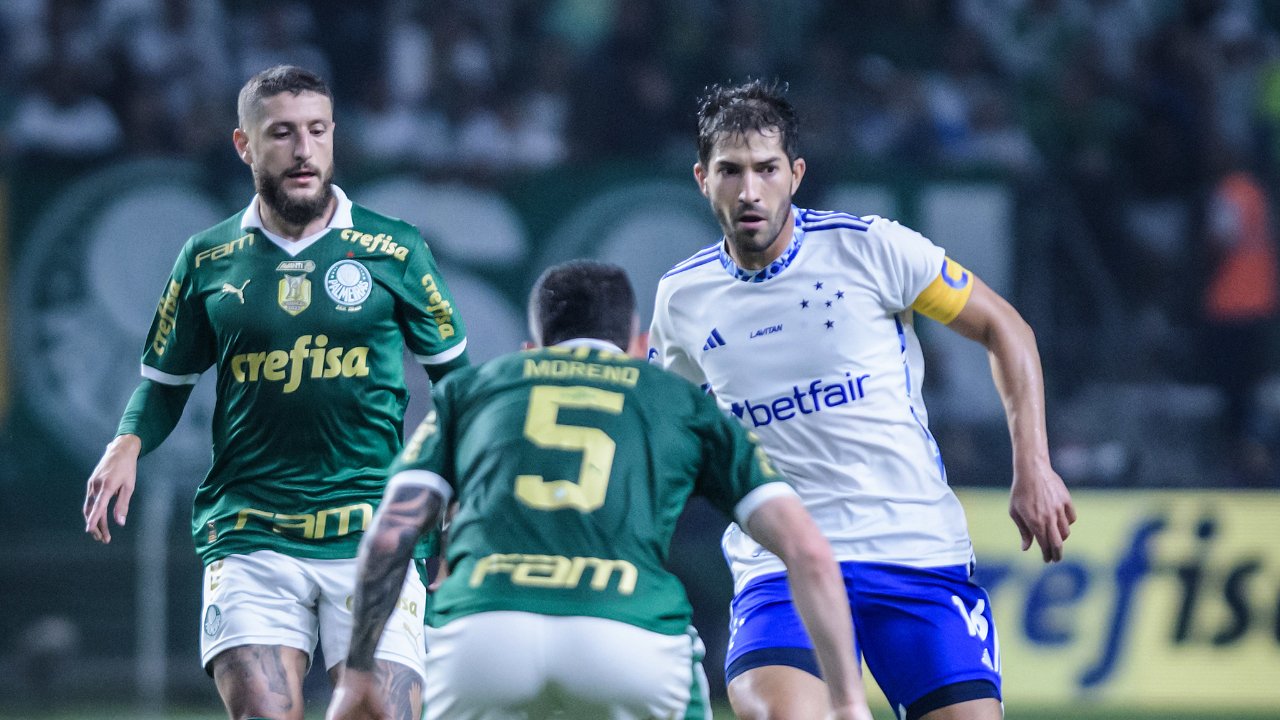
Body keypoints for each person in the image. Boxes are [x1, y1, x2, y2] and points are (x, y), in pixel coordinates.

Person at [648, 79, 1077, 720]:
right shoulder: (682, 299)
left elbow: (1005, 328)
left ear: (795, 173)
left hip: (914, 552)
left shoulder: (870, 247)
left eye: (766, 169)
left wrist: (1033, 466)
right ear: (701, 179)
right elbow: (657, 431)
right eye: (729, 171)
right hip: (780, 568)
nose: (749, 191)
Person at [81, 65, 469, 720]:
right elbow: (165, 384)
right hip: (251, 529)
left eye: (318, 130)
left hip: (373, 531)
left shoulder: (394, 249)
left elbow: (457, 385)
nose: (303, 148)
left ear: (334, 137)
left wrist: (456, 485)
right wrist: (126, 442)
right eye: (283, 133)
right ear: (244, 145)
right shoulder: (206, 259)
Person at [326, 260, 873, 720]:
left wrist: (357, 671)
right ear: (638, 344)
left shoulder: (475, 388)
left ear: (531, 348)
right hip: (628, 631)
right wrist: (848, 702)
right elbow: (808, 550)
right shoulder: (677, 400)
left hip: (481, 632)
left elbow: (390, 535)